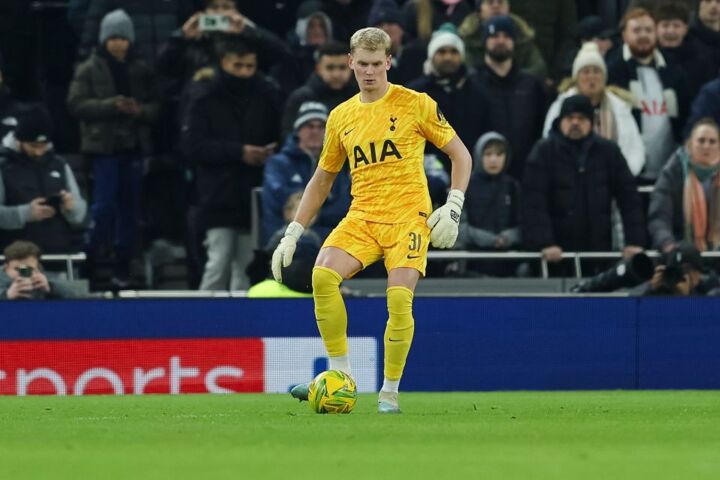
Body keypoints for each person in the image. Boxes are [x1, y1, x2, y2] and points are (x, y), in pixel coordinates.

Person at [271, 27, 471, 413]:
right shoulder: (341, 116)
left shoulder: (416, 104)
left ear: (389, 63)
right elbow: (323, 177)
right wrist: (294, 231)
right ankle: (340, 378)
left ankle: (389, 394)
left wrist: (453, 205)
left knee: (398, 300)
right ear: (350, 63)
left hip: (408, 216)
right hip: (363, 214)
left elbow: (461, 155)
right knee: (322, 276)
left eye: (376, 64)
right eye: (361, 64)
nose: (369, 72)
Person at [182, 38, 282, 291]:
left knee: (245, 268)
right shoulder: (204, 96)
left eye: (250, 66)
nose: (245, 72)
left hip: (253, 193)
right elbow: (193, 146)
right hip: (216, 195)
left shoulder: (266, 93)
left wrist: (269, 151)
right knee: (217, 263)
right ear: (224, 62)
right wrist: (238, 152)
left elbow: (279, 133)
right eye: (238, 66)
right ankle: (203, 326)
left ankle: (242, 327)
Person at [67, 9, 159, 285]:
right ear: (104, 39)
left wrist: (138, 111)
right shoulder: (88, 68)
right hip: (103, 150)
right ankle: (91, 260)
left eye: (123, 37)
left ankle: (123, 265)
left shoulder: (141, 69)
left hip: (132, 148)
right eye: (113, 37)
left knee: (130, 211)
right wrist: (111, 106)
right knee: (104, 206)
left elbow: (156, 107)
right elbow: (75, 104)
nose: (119, 43)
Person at [522, 95, 646, 268]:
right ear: (560, 120)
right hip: (556, 256)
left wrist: (634, 241)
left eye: (581, 118)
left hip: (598, 253)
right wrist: (545, 242)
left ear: (592, 122)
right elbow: (534, 201)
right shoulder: (543, 152)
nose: (575, 123)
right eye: (570, 118)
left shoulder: (608, 152)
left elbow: (629, 198)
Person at [606, 7, 690, 183]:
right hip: (627, 169)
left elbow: (685, 113)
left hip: (668, 168)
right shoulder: (613, 70)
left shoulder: (673, 68)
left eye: (648, 30)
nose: (643, 35)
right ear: (624, 35)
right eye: (637, 30)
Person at [544, 42, 645, 177]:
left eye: (596, 71)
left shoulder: (619, 107)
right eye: (585, 72)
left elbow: (634, 148)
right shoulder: (560, 106)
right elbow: (549, 144)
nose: (591, 77)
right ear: (576, 78)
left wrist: (623, 175)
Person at [0, 105, 87, 253]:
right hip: (20, 261)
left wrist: (71, 208)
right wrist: (25, 214)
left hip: (59, 256)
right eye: (33, 146)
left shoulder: (60, 165)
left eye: (43, 145)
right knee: (27, 276)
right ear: (19, 140)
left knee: (57, 276)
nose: (38, 151)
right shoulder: (3, 167)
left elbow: (80, 213)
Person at [408, 24, 492, 173]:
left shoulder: (478, 93)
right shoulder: (414, 93)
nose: (448, 57)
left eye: (454, 52)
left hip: (469, 175)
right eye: (441, 51)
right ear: (431, 55)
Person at [262, 102, 350, 244]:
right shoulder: (278, 164)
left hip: (327, 237)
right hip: (283, 235)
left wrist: (312, 211)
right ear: (298, 130)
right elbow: (282, 204)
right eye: (309, 126)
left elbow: (344, 206)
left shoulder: (335, 163)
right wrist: (316, 208)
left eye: (321, 127)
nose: (315, 131)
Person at [473, 15, 546, 181]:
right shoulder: (472, 82)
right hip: (482, 177)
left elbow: (540, 128)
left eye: (506, 36)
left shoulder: (531, 84)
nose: (501, 41)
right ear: (485, 41)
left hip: (525, 174)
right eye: (495, 36)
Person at [648, 118, 720, 252]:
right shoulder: (672, 171)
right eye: (701, 140)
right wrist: (668, 245)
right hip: (681, 248)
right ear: (690, 144)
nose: (706, 146)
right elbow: (659, 217)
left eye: (712, 141)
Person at [455, 132, 520, 276]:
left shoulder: (513, 186)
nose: (494, 159)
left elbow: (525, 225)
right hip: (472, 267)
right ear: (479, 156)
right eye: (488, 154)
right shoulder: (464, 184)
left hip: (509, 268)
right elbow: (457, 227)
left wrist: (508, 237)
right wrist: (490, 240)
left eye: (499, 154)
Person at [280, 42, 356, 140]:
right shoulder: (301, 98)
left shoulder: (361, 97)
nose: (336, 74)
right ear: (318, 69)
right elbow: (288, 137)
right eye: (330, 68)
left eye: (342, 67)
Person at [458, 0, 548, 79]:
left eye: (500, 2)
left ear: (508, 7)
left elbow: (538, 67)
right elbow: (466, 67)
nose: (496, 6)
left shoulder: (522, 35)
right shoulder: (468, 37)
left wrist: (515, 81)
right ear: (480, 9)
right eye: (490, 2)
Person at [655, 1, 717, 98]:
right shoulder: (646, 56)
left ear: (685, 29)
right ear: (656, 28)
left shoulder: (702, 58)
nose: (671, 31)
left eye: (676, 26)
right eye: (665, 25)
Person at [0, 241, 87, 300]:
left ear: (38, 267)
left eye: (29, 269)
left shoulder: (43, 280)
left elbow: (79, 298)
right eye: (18, 269)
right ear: (5, 267)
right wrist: (6, 296)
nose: (24, 274)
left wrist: (50, 289)